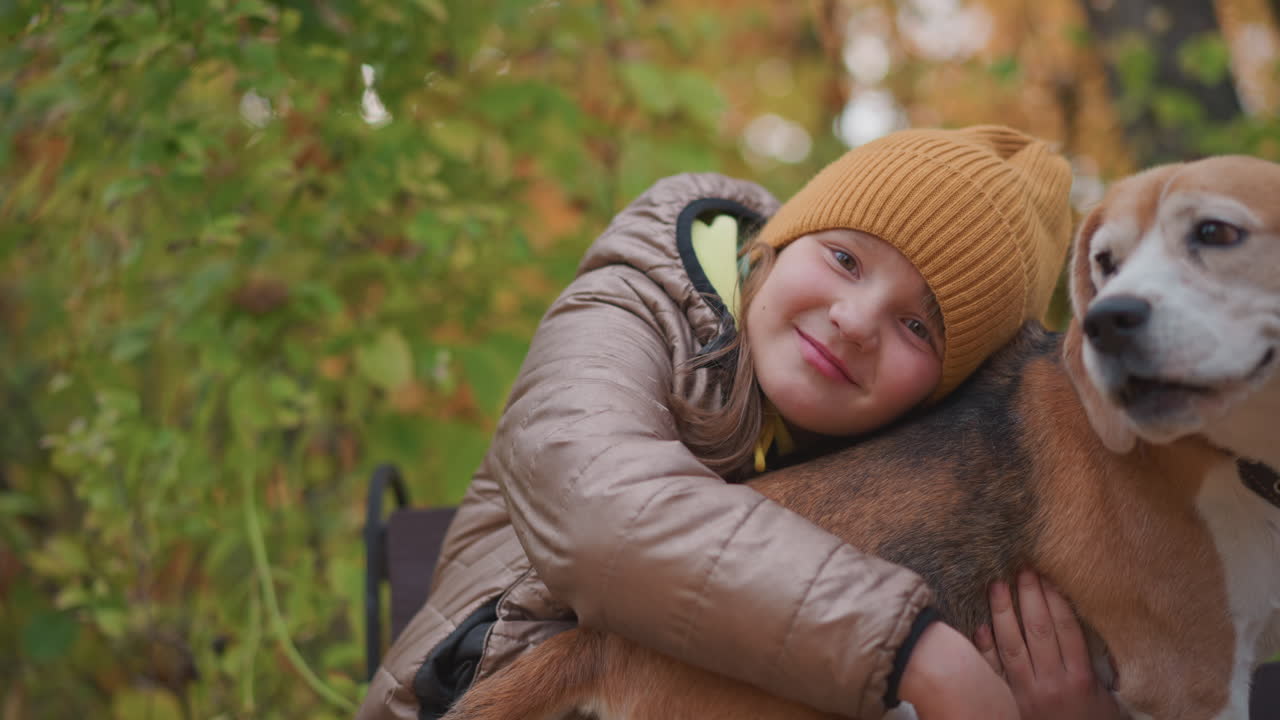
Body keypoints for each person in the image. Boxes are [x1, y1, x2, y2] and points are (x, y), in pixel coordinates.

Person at [358, 126, 1120, 720]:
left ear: (941, 394)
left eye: (920, 328)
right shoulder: (634, 303)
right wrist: (914, 648)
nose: (855, 321)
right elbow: (598, 508)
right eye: (846, 259)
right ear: (779, 241)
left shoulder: (899, 477)